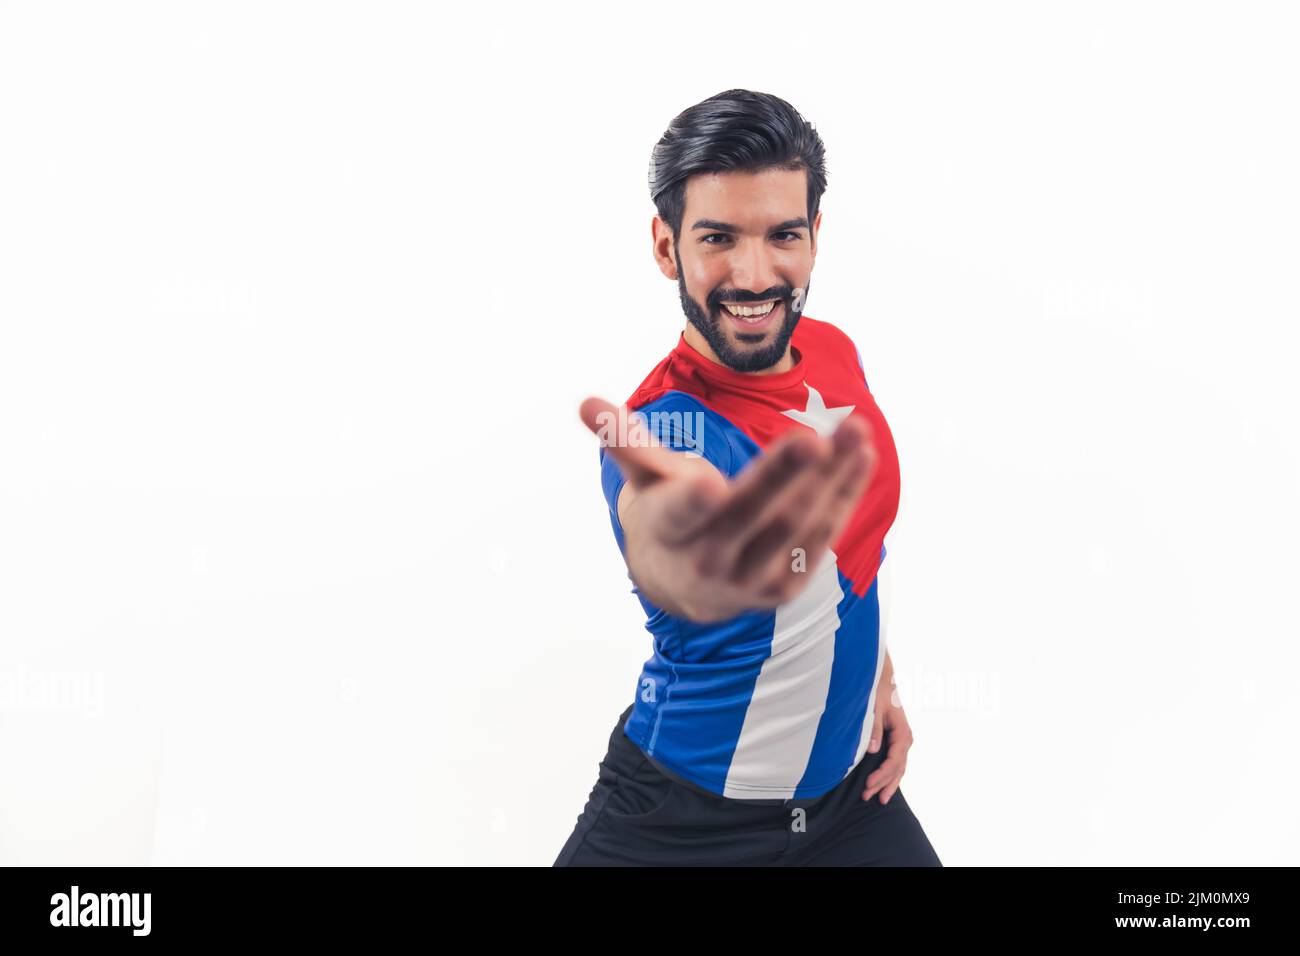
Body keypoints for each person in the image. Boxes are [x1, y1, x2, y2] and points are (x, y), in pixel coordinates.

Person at [555, 89, 941, 866]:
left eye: (782, 235)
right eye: (719, 238)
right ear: (667, 248)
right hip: (680, 822)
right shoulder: (665, 430)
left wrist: (878, 681)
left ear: (815, 236)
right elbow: (669, 533)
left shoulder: (833, 352)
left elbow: (856, 549)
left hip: (847, 804)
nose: (755, 273)